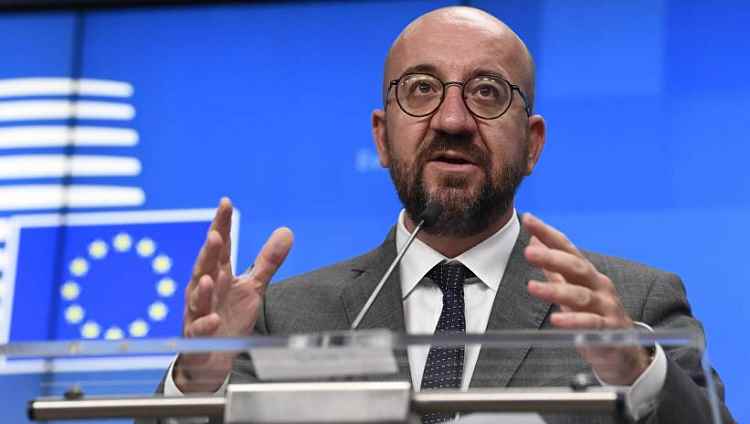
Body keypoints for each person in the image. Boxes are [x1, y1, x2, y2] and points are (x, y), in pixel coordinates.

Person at [161, 6, 734, 424]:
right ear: (381, 138)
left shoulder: (632, 306)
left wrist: (636, 368)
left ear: (532, 144)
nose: (452, 120)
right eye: (420, 89)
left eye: (487, 92)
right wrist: (195, 383)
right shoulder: (283, 318)